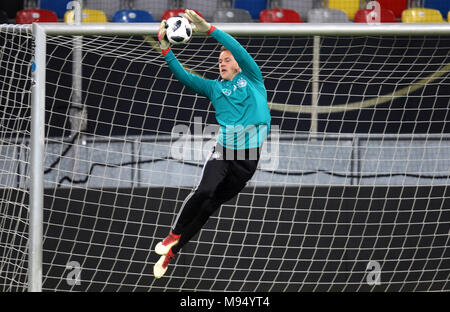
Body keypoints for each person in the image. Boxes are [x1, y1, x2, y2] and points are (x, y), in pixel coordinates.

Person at [153, 10, 271, 278]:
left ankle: (171, 253)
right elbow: (186, 77)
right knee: (204, 190)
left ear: (238, 64)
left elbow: (237, 48)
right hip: (224, 150)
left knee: (209, 208)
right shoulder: (214, 88)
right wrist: (166, 51)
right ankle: (172, 235)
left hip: (248, 160)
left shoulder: (253, 79)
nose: (222, 62)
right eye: (219, 60)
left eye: (227, 59)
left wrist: (209, 29)